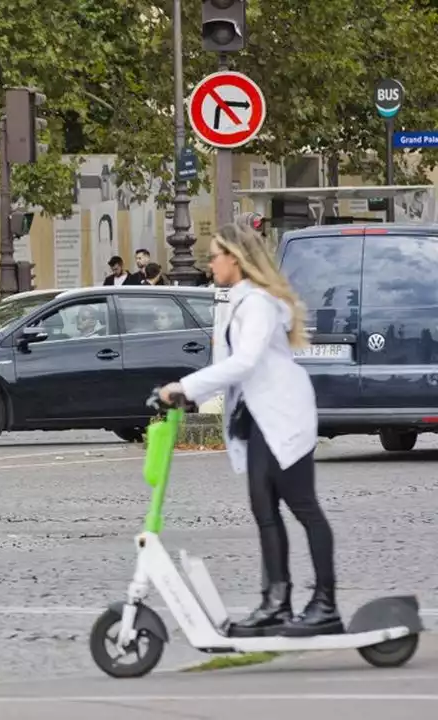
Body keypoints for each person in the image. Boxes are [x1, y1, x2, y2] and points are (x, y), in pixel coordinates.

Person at [157, 222, 339, 638]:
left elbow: (245, 363)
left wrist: (184, 386)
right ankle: (276, 603)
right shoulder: (240, 301)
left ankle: (325, 604)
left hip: (283, 417)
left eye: (215, 255)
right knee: (264, 511)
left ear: (235, 260)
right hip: (257, 420)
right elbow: (232, 369)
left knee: (304, 508)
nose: (210, 262)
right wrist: (191, 397)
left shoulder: (256, 304)